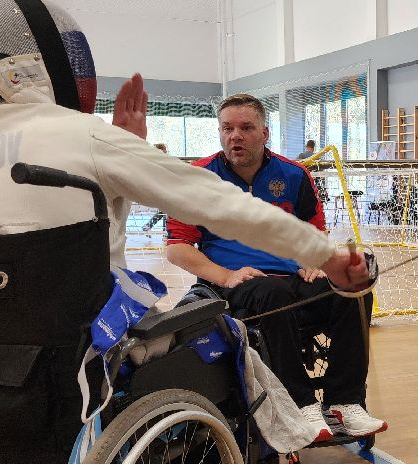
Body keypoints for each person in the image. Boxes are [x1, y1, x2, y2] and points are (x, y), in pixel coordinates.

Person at [0, 0, 370, 321]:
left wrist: (117, 160)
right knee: (226, 355)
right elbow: (215, 201)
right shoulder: (82, 135)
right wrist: (325, 256)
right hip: (74, 354)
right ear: (33, 66)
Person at [164, 94, 386, 442]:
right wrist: (226, 276)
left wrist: (315, 260)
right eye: (228, 129)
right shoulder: (197, 179)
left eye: (245, 128)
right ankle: (300, 405)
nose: (235, 136)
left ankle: (346, 401)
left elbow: (316, 233)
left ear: (264, 133)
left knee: (352, 291)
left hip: (292, 278)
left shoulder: (295, 176)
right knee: (273, 293)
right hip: (235, 284)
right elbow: (177, 249)